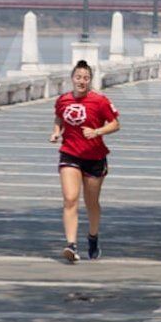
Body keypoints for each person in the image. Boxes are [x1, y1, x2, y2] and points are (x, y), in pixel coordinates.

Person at [50, 60, 120, 263]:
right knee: (70, 199)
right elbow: (58, 118)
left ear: (90, 80)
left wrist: (96, 131)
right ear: (72, 78)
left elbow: (115, 124)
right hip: (70, 154)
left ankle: (93, 237)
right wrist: (56, 132)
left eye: (86, 78)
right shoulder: (63, 100)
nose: (82, 81)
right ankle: (71, 245)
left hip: (95, 157)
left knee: (92, 203)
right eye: (78, 77)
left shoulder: (100, 101)